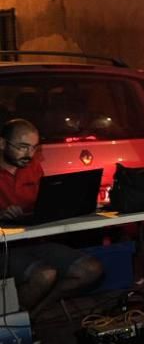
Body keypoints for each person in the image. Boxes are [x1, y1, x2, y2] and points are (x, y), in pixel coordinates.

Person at [0, 119, 103, 317]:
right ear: (2, 143)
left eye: (34, 148)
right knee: (45, 275)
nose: (29, 155)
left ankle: (30, 316)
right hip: (4, 247)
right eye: (22, 147)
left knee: (91, 269)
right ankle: (12, 324)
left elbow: (43, 204)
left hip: (34, 241)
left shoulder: (32, 169)